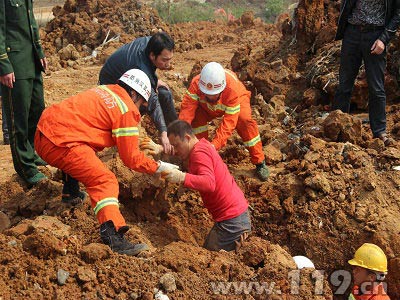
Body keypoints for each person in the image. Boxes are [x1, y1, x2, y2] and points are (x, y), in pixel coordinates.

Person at [34, 69, 179, 256]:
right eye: (142, 104)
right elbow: (131, 159)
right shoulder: (125, 108)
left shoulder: (105, 90)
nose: (140, 109)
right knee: (105, 181)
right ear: (133, 94)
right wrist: (158, 167)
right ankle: (113, 236)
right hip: (59, 144)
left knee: (87, 152)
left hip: (43, 132)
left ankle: (71, 192)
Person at [160, 120, 251, 251]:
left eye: (176, 145)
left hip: (232, 222)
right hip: (234, 217)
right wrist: (161, 148)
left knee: (210, 260)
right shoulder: (201, 146)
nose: (175, 150)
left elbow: (209, 183)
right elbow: (182, 151)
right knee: (207, 253)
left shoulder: (199, 154)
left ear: (187, 138)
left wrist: (181, 177)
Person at [179, 62, 269, 181]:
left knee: (245, 121)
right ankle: (200, 159)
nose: (210, 98)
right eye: (207, 94)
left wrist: (214, 145)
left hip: (237, 98)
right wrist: (179, 134)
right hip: (205, 107)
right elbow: (187, 111)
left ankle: (259, 161)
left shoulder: (232, 90)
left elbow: (228, 124)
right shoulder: (196, 84)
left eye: (214, 95)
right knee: (196, 118)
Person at [333, 0, 400, 146]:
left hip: (375, 35)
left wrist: (384, 39)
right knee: (344, 84)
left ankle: (380, 131)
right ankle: (337, 126)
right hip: (352, 33)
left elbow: (397, 14)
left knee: (376, 87)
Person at [99, 32, 177, 154]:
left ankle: (176, 134)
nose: (168, 64)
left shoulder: (152, 43)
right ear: (152, 55)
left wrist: (154, 79)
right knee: (141, 105)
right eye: (164, 60)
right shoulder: (140, 67)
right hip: (111, 85)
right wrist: (163, 133)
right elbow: (153, 102)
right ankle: (126, 140)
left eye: (170, 59)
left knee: (165, 93)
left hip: (129, 73)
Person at [0, 0, 47, 185]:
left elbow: (31, 22)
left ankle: (32, 153)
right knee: (17, 118)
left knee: (36, 110)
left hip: (31, 60)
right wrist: (3, 65)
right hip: (14, 63)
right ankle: (25, 168)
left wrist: (40, 52)